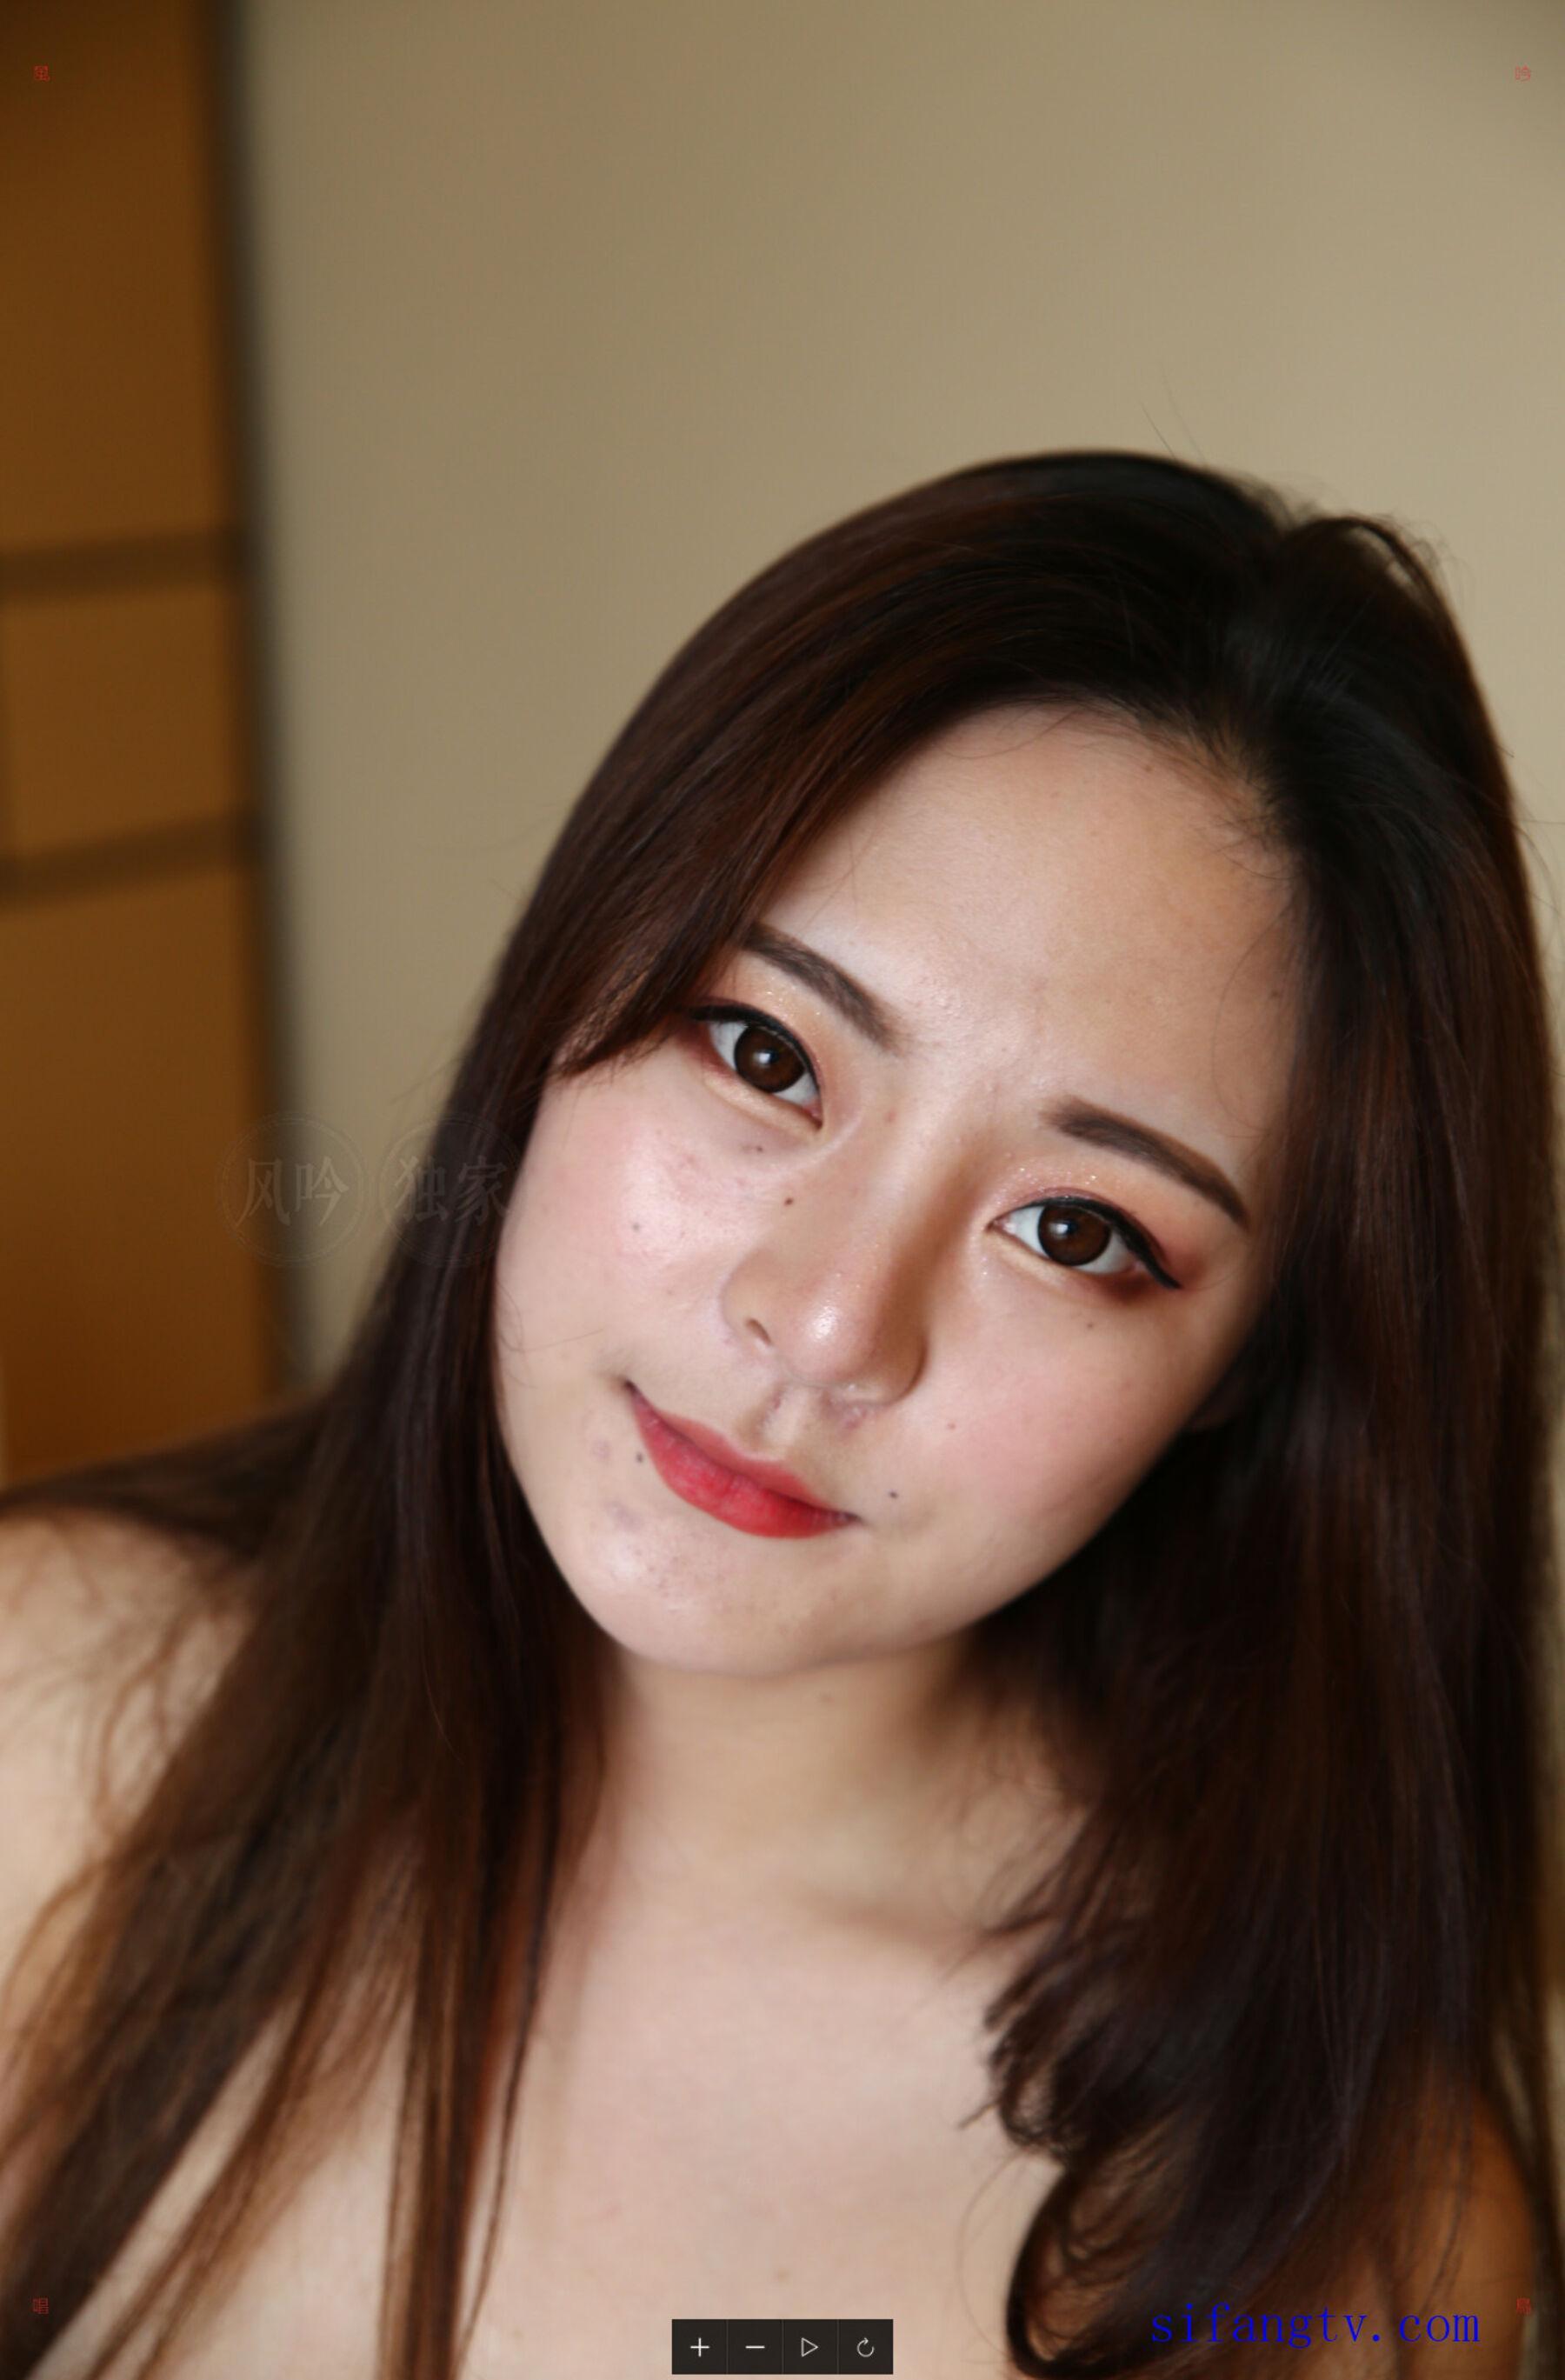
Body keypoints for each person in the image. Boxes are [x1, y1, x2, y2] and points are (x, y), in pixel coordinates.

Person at [0, 450, 1558, 2380]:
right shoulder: (56, 1723)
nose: (825, 1324)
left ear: (1250, 1362)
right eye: (762, 1050)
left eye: (1077, 1231)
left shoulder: (1329, 2238)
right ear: (566, 989)